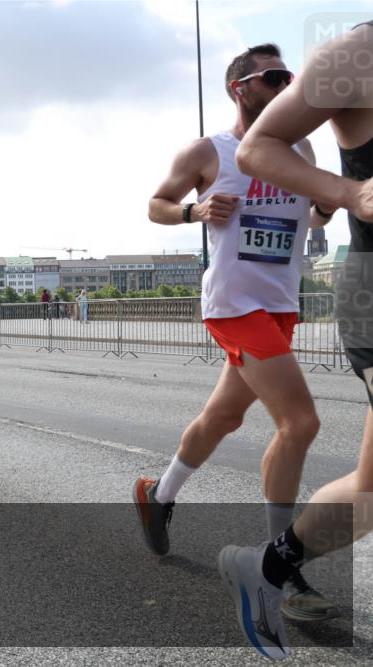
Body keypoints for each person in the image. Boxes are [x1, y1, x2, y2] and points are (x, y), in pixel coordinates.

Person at [133, 43, 331, 618]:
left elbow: (312, 214)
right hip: (234, 305)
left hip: (280, 304)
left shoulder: (299, 147)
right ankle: (281, 571)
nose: (287, 84)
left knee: (223, 417)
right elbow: (155, 205)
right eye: (275, 77)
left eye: (289, 75)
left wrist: (327, 210)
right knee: (300, 422)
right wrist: (193, 213)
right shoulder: (208, 150)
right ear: (240, 88)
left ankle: (157, 494)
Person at [216, 23, 373, 659]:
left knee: (369, 493)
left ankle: (267, 569)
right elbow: (257, 148)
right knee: (275, 422)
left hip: (275, 303)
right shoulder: (358, 54)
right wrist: (348, 192)